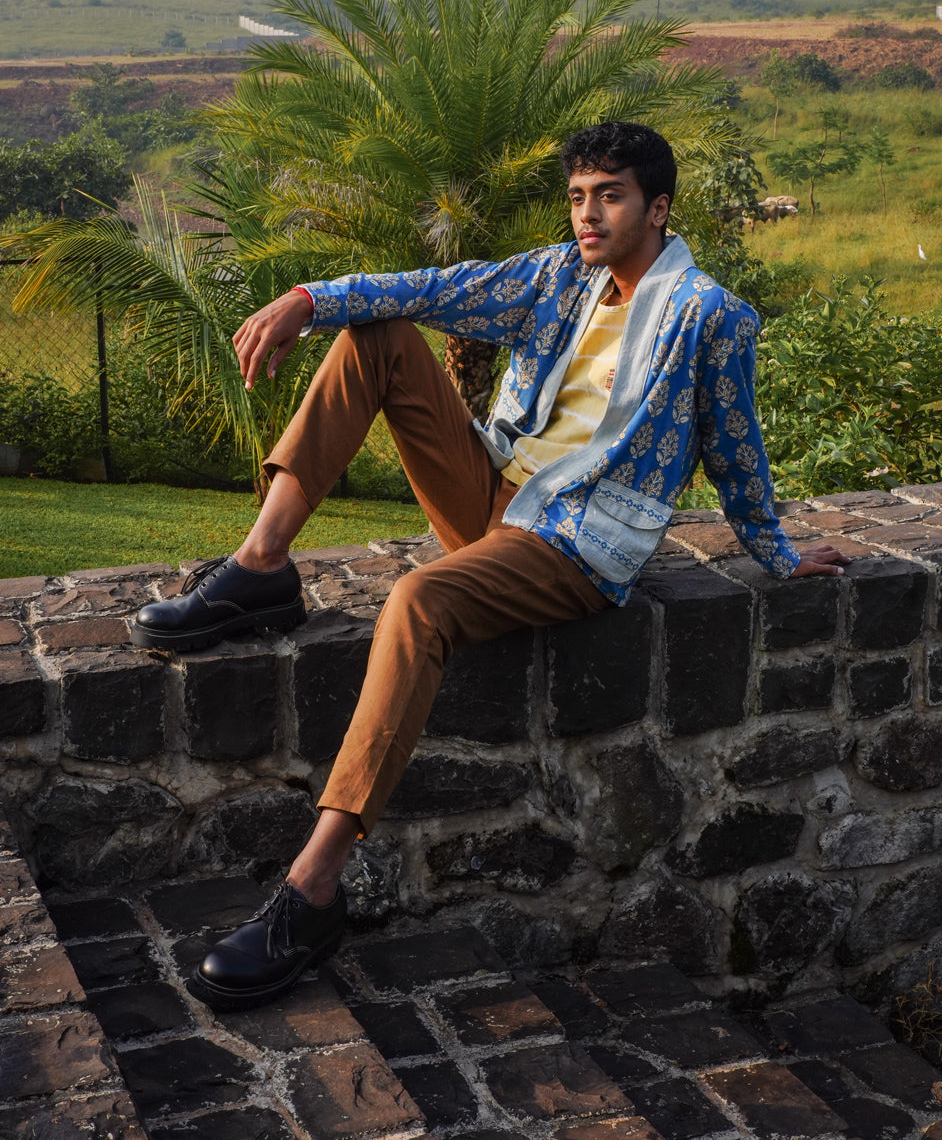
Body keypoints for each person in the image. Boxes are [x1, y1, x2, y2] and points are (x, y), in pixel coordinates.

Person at [131, 121, 849, 1010]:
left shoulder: (709, 318)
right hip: (492, 492)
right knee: (378, 335)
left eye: (610, 196)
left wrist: (778, 551)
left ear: (658, 208)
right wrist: (309, 298)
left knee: (419, 600)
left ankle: (313, 886)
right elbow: (437, 286)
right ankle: (264, 564)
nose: (588, 214)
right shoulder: (556, 276)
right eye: (579, 195)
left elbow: (736, 446)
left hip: (577, 545)